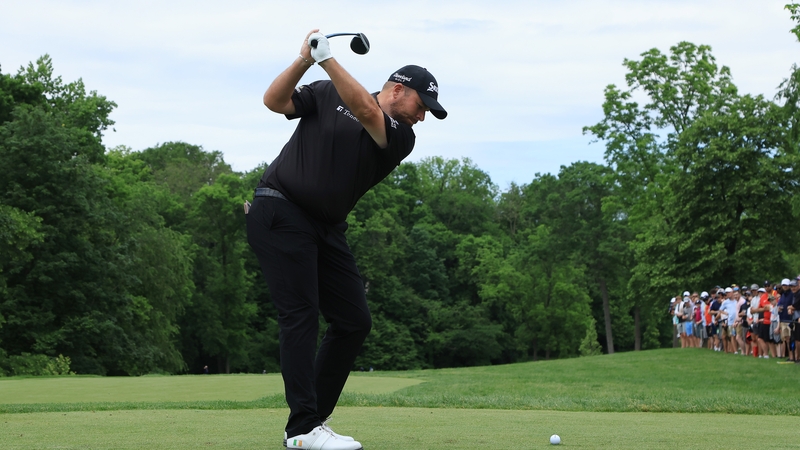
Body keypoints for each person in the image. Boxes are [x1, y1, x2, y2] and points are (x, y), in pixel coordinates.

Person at [246, 30, 447, 450]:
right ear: (398, 90)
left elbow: (366, 111)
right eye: (422, 105)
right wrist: (305, 60)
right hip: (280, 209)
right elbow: (273, 101)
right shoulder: (325, 91)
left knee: (354, 320)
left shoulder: (401, 135)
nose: (423, 116)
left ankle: (310, 421)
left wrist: (327, 60)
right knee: (301, 314)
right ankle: (303, 429)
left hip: (325, 227)